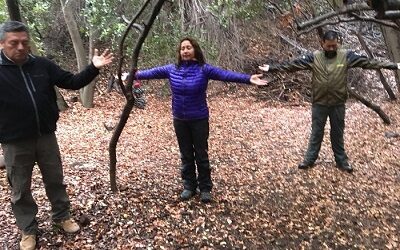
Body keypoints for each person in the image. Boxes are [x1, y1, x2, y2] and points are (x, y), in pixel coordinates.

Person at [0, 21, 113, 250]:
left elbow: (72, 82)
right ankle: (28, 229)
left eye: (24, 42)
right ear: (2, 44)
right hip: (14, 141)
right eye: (14, 43)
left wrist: (93, 67)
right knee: (20, 189)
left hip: (46, 136)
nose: (21, 47)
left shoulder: (42, 65)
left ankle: (61, 217)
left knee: (55, 179)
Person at [134, 37, 267, 203]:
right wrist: (132, 75)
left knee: (201, 154)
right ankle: (189, 186)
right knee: (186, 154)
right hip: (180, 119)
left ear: (195, 50)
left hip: (199, 119)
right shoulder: (171, 69)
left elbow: (225, 75)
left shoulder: (204, 69)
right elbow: (151, 73)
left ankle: (205, 188)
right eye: (182, 48)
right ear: (179, 52)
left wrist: (248, 79)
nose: (185, 51)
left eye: (188, 47)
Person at [259, 30, 400, 173]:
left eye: (334, 46)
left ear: (338, 43)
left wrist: (395, 66)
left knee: (337, 133)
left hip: (338, 103)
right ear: (322, 44)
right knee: (316, 132)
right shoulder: (314, 57)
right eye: (329, 46)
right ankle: (309, 160)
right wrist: (272, 68)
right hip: (319, 103)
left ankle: (342, 161)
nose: (332, 49)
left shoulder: (346, 56)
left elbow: (369, 63)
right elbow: (292, 65)